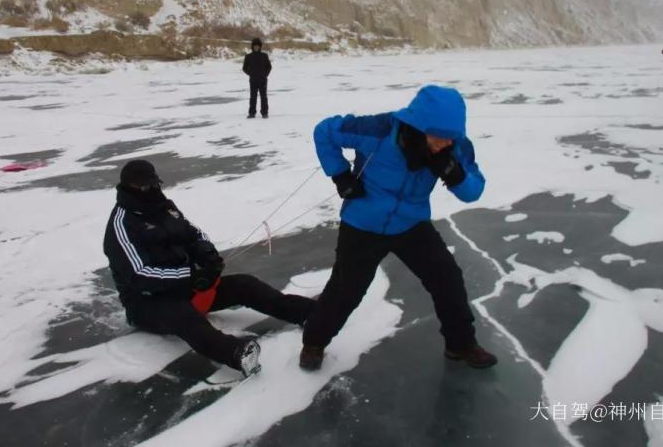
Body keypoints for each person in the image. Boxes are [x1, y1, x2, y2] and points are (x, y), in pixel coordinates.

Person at [299, 85, 498, 371]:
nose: (446, 143)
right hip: (363, 224)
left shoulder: (455, 146)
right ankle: (314, 342)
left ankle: (461, 345)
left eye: (451, 137)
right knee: (346, 290)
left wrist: (456, 175)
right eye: (439, 137)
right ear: (419, 125)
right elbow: (325, 131)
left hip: (411, 224)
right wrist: (341, 175)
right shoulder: (379, 129)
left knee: (448, 279)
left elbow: (473, 190)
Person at [103, 160, 314, 376]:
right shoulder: (121, 225)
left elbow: (193, 233)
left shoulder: (165, 207)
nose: (152, 190)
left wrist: (207, 254)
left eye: (154, 184)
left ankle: (309, 313)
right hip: (146, 303)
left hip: (186, 287)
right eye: (145, 187)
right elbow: (140, 275)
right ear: (129, 188)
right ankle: (236, 353)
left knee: (245, 285)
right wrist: (190, 276)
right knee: (183, 316)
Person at [242, 37, 272, 118]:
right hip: (253, 80)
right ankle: (252, 113)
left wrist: (265, 74)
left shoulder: (264, 56)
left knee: (264, 97)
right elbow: (244, 68)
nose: (256, 47)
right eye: (255, 46)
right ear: (252, 47)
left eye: (258, 46)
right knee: (253, 97)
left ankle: (264, 113)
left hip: (263, 80)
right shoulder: (248, 57)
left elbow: (269, 67)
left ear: (260, 47)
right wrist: (251, 74)